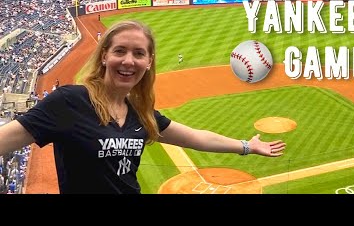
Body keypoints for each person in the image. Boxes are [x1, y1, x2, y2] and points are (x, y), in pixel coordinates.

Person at [0, 20, 286, 194]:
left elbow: (197, 138)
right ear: (103, 57)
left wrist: (247, 146)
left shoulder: (139, 113)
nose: (128, 61)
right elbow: (6, 139)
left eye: (139, 53)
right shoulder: (70, 101)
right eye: (120, 51)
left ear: (149, 62)